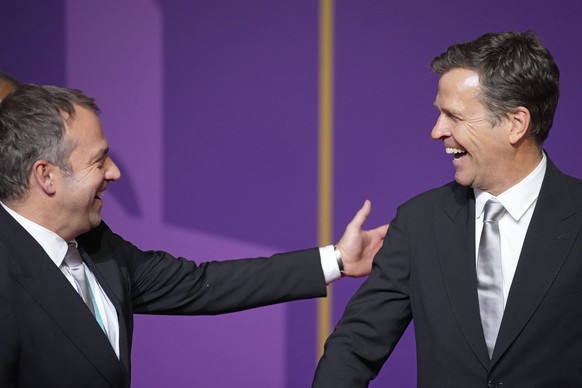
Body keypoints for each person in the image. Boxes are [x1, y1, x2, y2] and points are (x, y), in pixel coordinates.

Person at [0, 84, 388, 388]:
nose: (115, 172)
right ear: (46, 176)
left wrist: (337, 259)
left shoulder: (98, 246)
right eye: (99, 160)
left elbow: (202, 284)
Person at [313, 31, 579, 387]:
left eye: (454, 116)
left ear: (516, 123)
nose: (437, 131)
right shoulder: (419, 222)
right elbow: (354, 347)